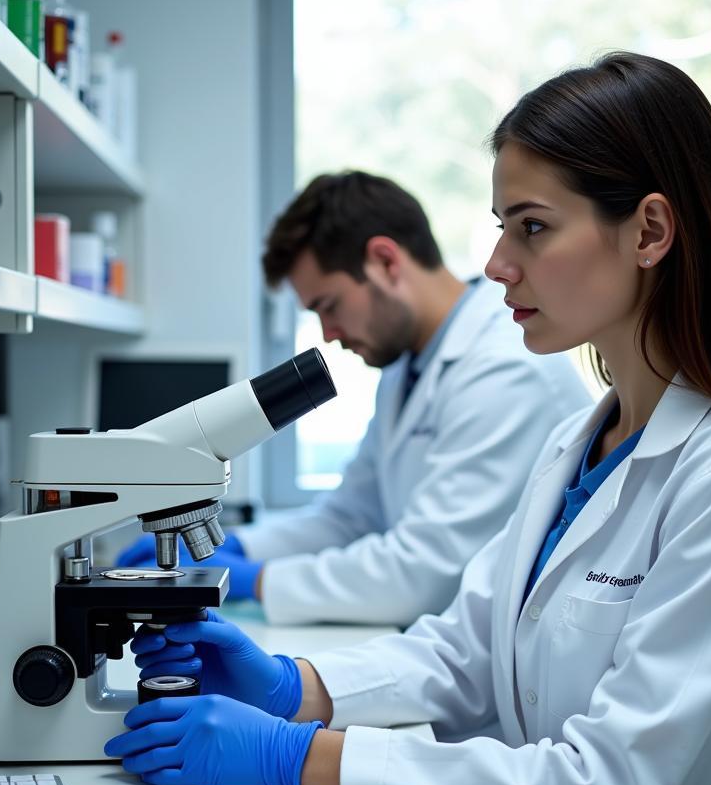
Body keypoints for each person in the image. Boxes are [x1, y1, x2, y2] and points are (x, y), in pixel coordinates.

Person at [105, 53, 711, 785]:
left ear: (650, 232)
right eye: (501, 227)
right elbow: (464, 654)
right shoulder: (583, 443)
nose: (496, 265)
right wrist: (291, 687)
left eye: (530, 228)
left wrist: (297, 757)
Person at [119, 171, 590, 625]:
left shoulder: (503, 370)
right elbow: (350, 517)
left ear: (385, 261)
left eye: (329, 306)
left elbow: (422, 574)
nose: (328, 333)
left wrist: (252, 579)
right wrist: (242, 547)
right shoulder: (409, 364)